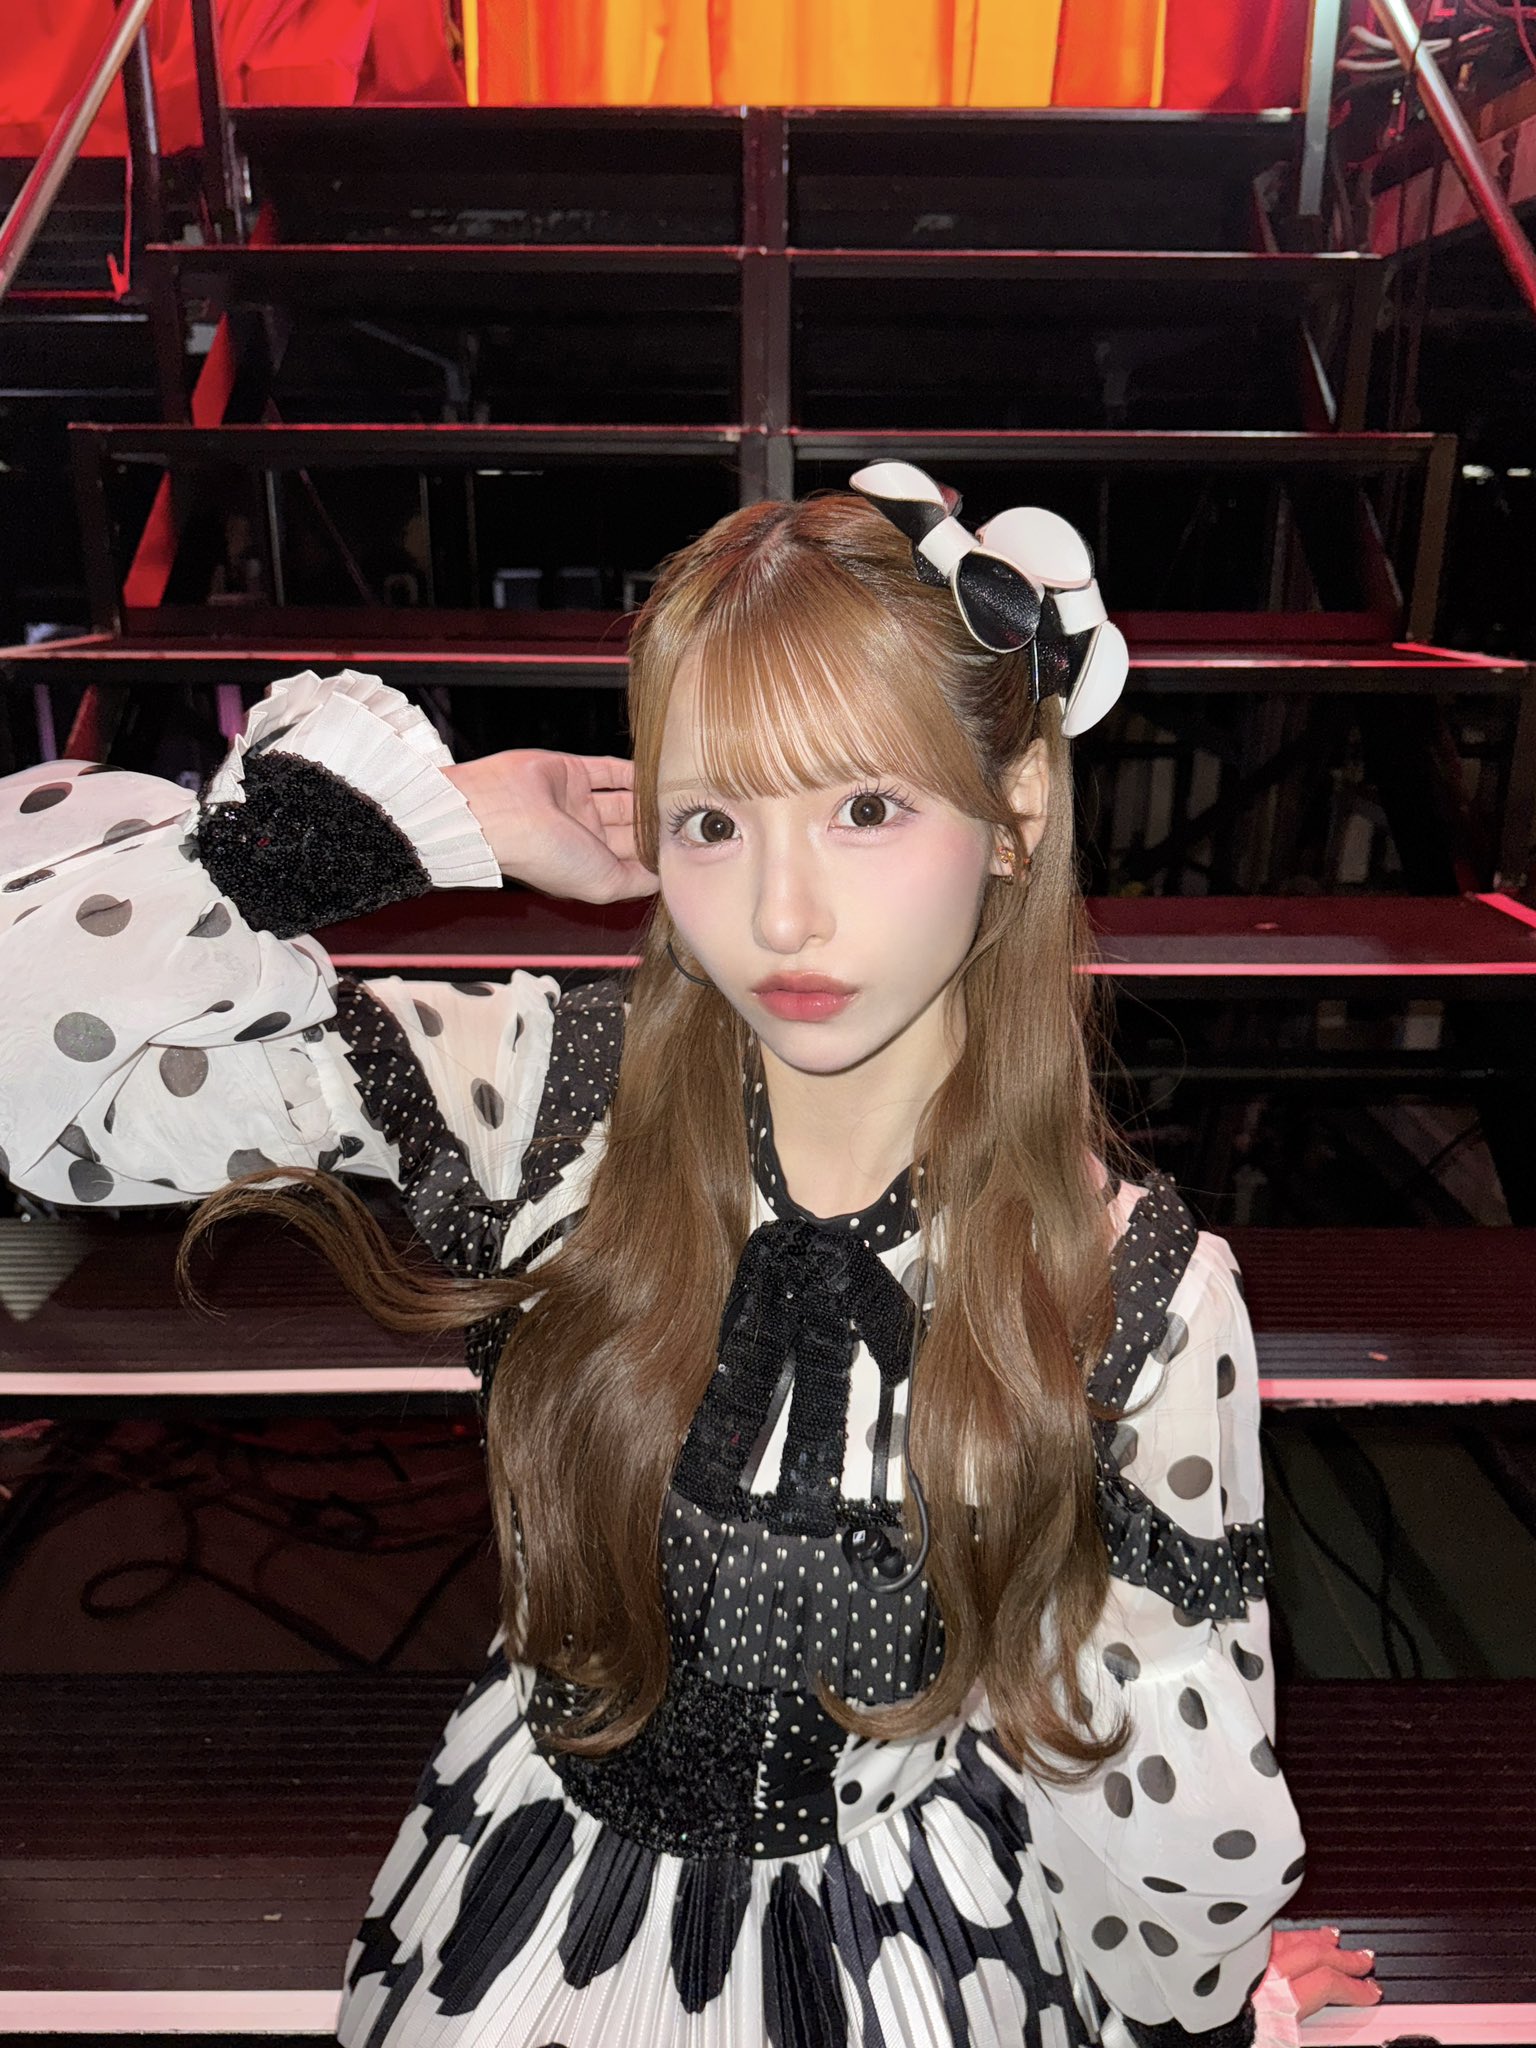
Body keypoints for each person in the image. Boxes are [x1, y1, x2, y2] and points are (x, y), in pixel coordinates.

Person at [0, 467, 1381, 2047]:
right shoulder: (544, 1098)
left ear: (1013, 814)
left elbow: (1150, 1752)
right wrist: (428, 821)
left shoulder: (1126, 1284)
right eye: (713, 821)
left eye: (866, 808)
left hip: (907, 1947)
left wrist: (1202, 2007)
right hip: (522, 1911)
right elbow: (36, 1053)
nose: (782, 916)